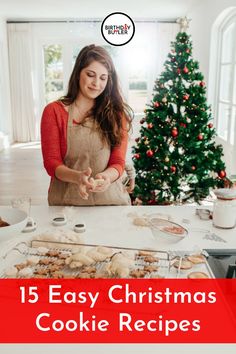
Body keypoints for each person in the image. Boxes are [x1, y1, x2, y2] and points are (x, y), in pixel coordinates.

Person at [41, 44, 133, 206]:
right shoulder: (54, 112)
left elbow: (118, 161)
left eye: (103, 78)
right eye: (91, 75)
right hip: (66, 203)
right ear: (78, 74)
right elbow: (52, 163)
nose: (96, 83)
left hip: (110, 203)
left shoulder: (117, 114)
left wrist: (107, 177)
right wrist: (78, 177)